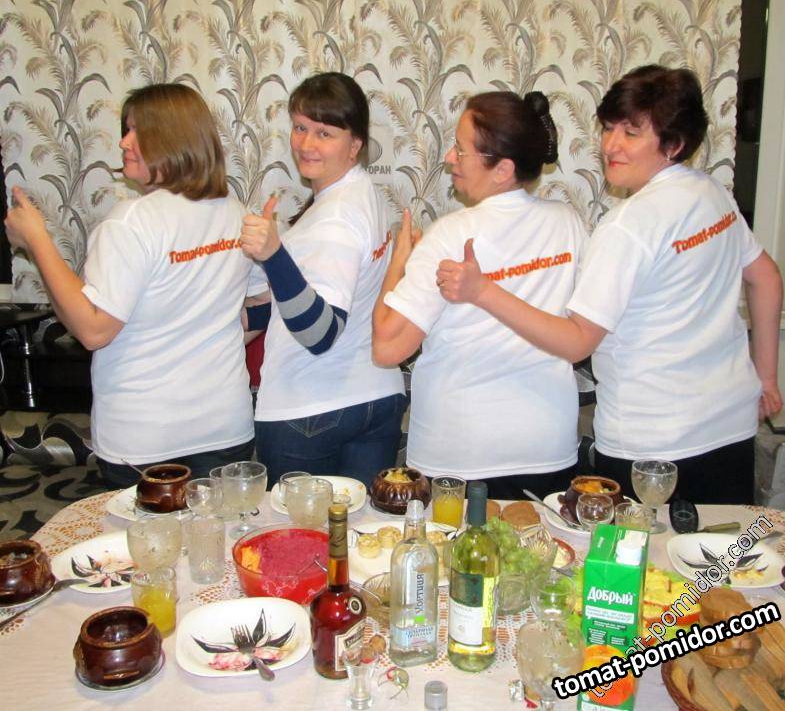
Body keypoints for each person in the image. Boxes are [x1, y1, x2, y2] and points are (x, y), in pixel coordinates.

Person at [437, 65, 783, 504]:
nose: (611, 145)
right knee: (723, 549)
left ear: (674, 144)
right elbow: (766, 276)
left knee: (649, 553)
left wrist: (483, 291)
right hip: (730, 426)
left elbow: (576, 342)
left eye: (632, 133)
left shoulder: (629, 226)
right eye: (609, 127)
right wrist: (765, 377)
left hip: (653, 449)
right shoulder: (711, 193)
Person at [5, 83, 266, 488]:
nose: (124, 142)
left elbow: (94, 330)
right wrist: (218, 329)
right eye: (125, 130)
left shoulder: (132, 223)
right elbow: (266, 302)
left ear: (172, 138)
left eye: (137, 131)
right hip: (224, 428)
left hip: (145, 439)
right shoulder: (236, 214)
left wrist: (38, 241)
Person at [372, 91, 586, 500]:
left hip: (457, 456)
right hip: (547, 447)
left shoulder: (450, 235)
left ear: (503, 169)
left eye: (461, 149)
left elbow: (387, 347)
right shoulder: (568, 224)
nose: (449, 158)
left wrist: (397, 265)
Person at [239, 72, 406, 489]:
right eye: (300, 128)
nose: (306, 144)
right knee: (359, 529)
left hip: (310, 409)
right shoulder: (361, 192)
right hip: (373, 395)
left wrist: (274, 254)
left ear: (355, 145)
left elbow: (320, 333)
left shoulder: (336, 217)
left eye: (324, 133)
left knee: (299, 533)